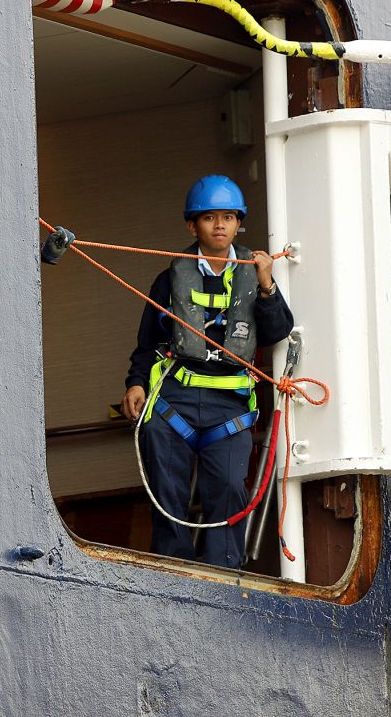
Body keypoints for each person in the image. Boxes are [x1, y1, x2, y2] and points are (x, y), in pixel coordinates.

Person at [120, 175, 294, 568]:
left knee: (230, 489)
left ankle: (226, 574)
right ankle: (173, 570)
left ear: (238, 223)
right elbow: (148, 341)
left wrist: (267, 287)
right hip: (174, 402)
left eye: (229, 217)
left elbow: (278, 330)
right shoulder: (169, 281)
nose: (220, 226)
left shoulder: (256, 275)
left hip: (228, 407)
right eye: (209, 218)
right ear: (192, 225)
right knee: (167, 489)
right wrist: (135, 383)